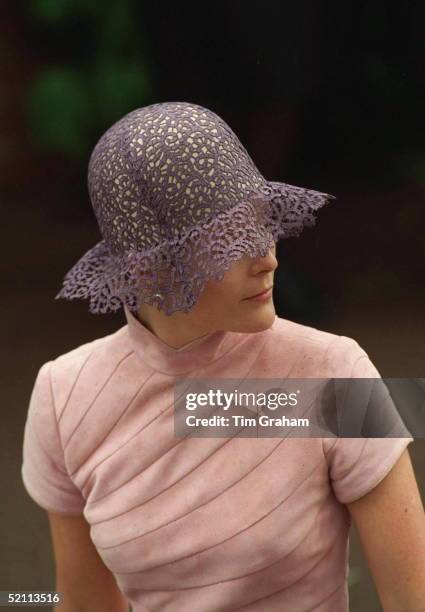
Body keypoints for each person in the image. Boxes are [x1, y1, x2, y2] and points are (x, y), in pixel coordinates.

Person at [21, 102, 425, 611]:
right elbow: (84, 604)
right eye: (231, 239)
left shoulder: (334, 370)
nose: (269, 258)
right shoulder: (64, 395)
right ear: (150, 267)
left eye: (262, 223)